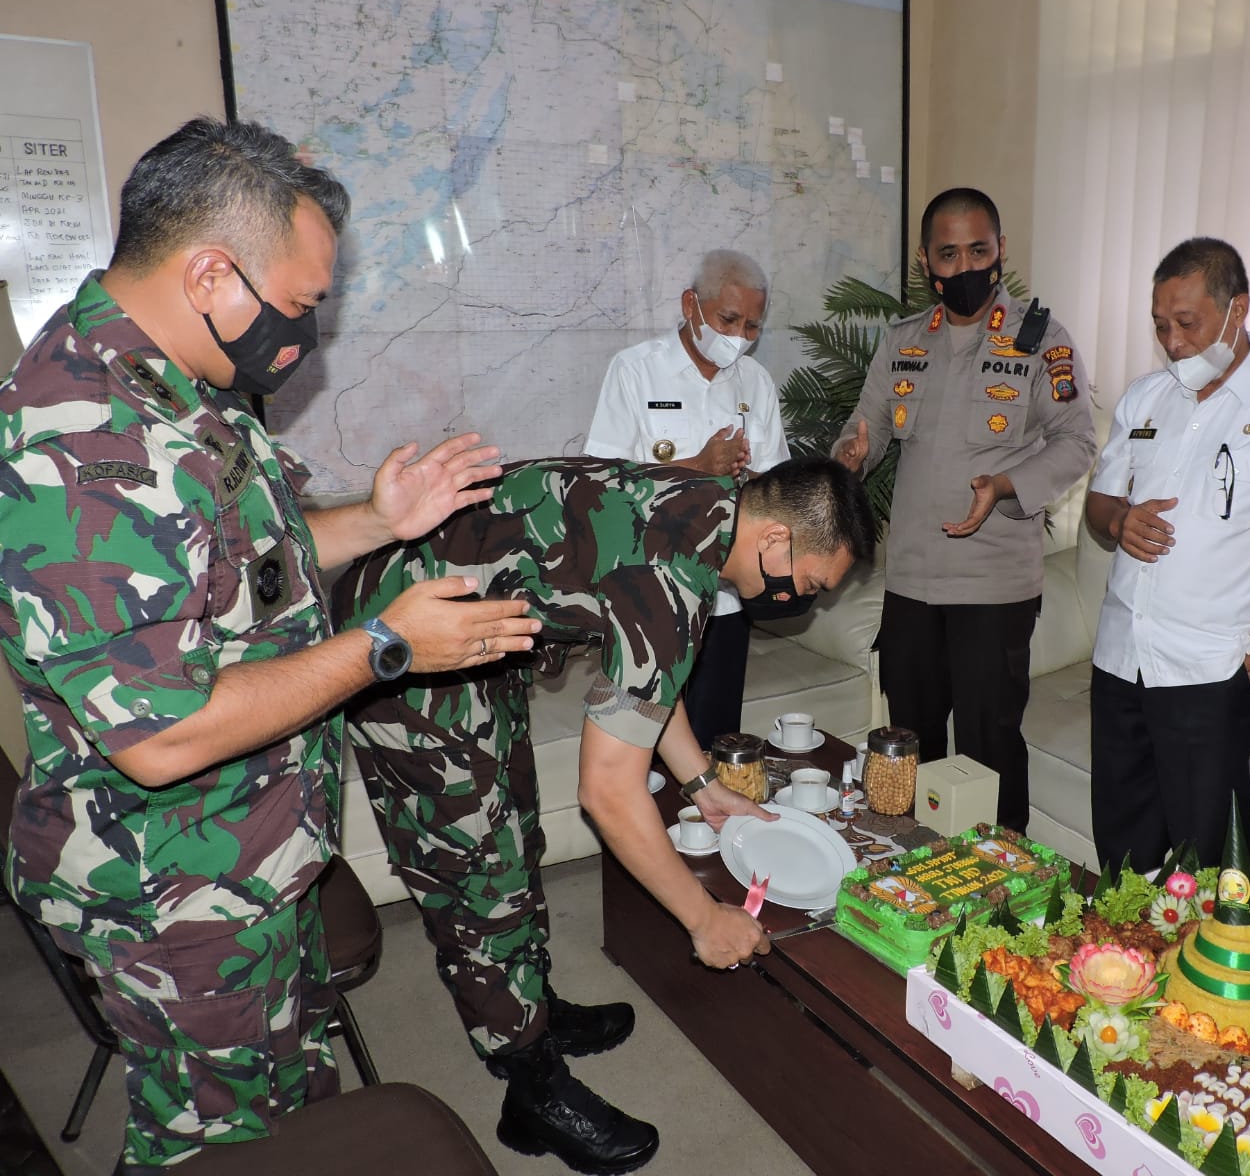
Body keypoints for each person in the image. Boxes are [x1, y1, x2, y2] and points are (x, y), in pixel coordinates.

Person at [0, 118, 540, 1171]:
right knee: (217, 1149)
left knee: (294, 1118)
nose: (306, 336)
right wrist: (387, 648)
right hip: (173, 897)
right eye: (298, 305)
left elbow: (254, 568)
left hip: (256, 856)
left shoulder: (183, 385)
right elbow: (158, 739)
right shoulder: (81, 443)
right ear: (211, 271)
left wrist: (382, 519)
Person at [332, 455, 873, 1175]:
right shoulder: (671, 571)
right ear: (774, 541)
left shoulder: (708, 509)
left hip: (473, 629)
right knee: (475, 864)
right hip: (405, 641)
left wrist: (704, 784)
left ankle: (529, 1003)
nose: (800, 598)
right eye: (808, 584)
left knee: (513, 826)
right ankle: (528, 1086)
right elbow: (609, 793)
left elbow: (649, 678)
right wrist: (703, 918)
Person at [1085, 238, 1250, 872]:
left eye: (1187, 323)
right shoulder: (1147, 397)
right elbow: (1100, 504)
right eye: (1160, 325)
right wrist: (1121, 519)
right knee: (1123, 854)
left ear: (1238, 310)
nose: (1173, 342)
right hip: (1121, 657)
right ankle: (1120, 967)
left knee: (1210, 867)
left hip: (1213, 669)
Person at [834, 187, 1096, 833]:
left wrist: (1005, 486)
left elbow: (1075, 441)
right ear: (927, 262)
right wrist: (849, 455)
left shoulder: (1041, 341)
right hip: (913, 582)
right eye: (948, 254)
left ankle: (1000, 877)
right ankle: (912, 869)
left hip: (993, 584)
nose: (965, 268)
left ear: (1000, 250)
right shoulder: (902, 342)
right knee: (908, 744)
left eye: (978, 250)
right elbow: (862, 430)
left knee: (988, 746)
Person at [584, 249, 791, 748]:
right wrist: (699, 467)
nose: (740, 337)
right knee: (644, 751)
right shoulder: (635, 371)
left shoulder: (756, 383)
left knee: (717, 748)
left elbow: (776, 491)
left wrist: (756, 479)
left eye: (752, 326)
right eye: (729, 319)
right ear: (690, 305)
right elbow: (600, 487)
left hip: (723, 605)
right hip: (650, 600)